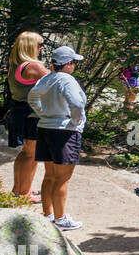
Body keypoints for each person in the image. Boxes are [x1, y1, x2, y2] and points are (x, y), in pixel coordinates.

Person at [27, 46, 87, 231]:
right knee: (62, 178)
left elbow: (32, 97)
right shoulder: (67, 80)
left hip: (45, 128)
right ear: (68, 64)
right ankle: (61, 219)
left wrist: (42, 113)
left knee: (50, 175)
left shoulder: (47, 78)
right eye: (74, 62)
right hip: (64, 132)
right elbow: (76, 103)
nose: (74, 66)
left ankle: (48, 215)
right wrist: (75, 122)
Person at [6, 31, 48, 204]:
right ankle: (24, 194)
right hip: (32, 114)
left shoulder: (16, 64)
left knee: (25, 153)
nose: (42, 48)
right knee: (32, 155)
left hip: (19, 111)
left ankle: (19, 189)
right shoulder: (33, 66)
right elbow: (58, 81)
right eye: (39, 45)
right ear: (31, 47)